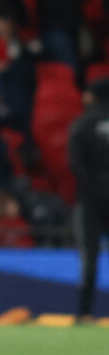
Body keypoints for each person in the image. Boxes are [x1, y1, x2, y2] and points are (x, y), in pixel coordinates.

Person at [68, 79, 109, 321]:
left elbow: (76, 164)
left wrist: (90, 193)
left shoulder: (83, 124)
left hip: (90, 200)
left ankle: (85, 312)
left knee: (89, 258)